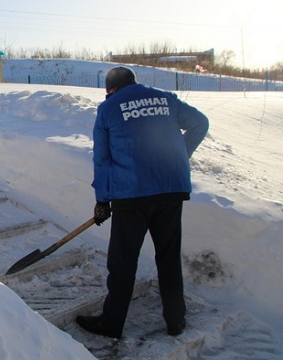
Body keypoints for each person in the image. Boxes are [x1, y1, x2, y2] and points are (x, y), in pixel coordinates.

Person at [76, 67, 209, 339]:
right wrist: (179, 154)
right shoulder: (166, 99)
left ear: (111, 88)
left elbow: (102, 159)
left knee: (123, 262)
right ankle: (175, 321)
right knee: (169, 258)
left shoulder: (109, 108)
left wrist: (102, 200)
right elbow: (200, 122)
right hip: (171, 190)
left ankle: (112, 323)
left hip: (131, 194)